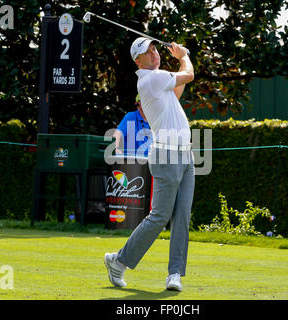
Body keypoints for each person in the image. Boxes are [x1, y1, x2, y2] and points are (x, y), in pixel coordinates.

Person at [104, 37, 195, 292]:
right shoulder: (150, 78)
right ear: (138, 60)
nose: (154, 54)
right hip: (166, 155)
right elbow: (188, 75)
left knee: (182, 217)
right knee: (159, 217)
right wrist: (182, 56)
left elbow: (177, 91)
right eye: (148, 52)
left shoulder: (160, 82)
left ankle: (174, 274)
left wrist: (180, 60)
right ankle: (119, 261)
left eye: (155, 49)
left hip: (185, 155)